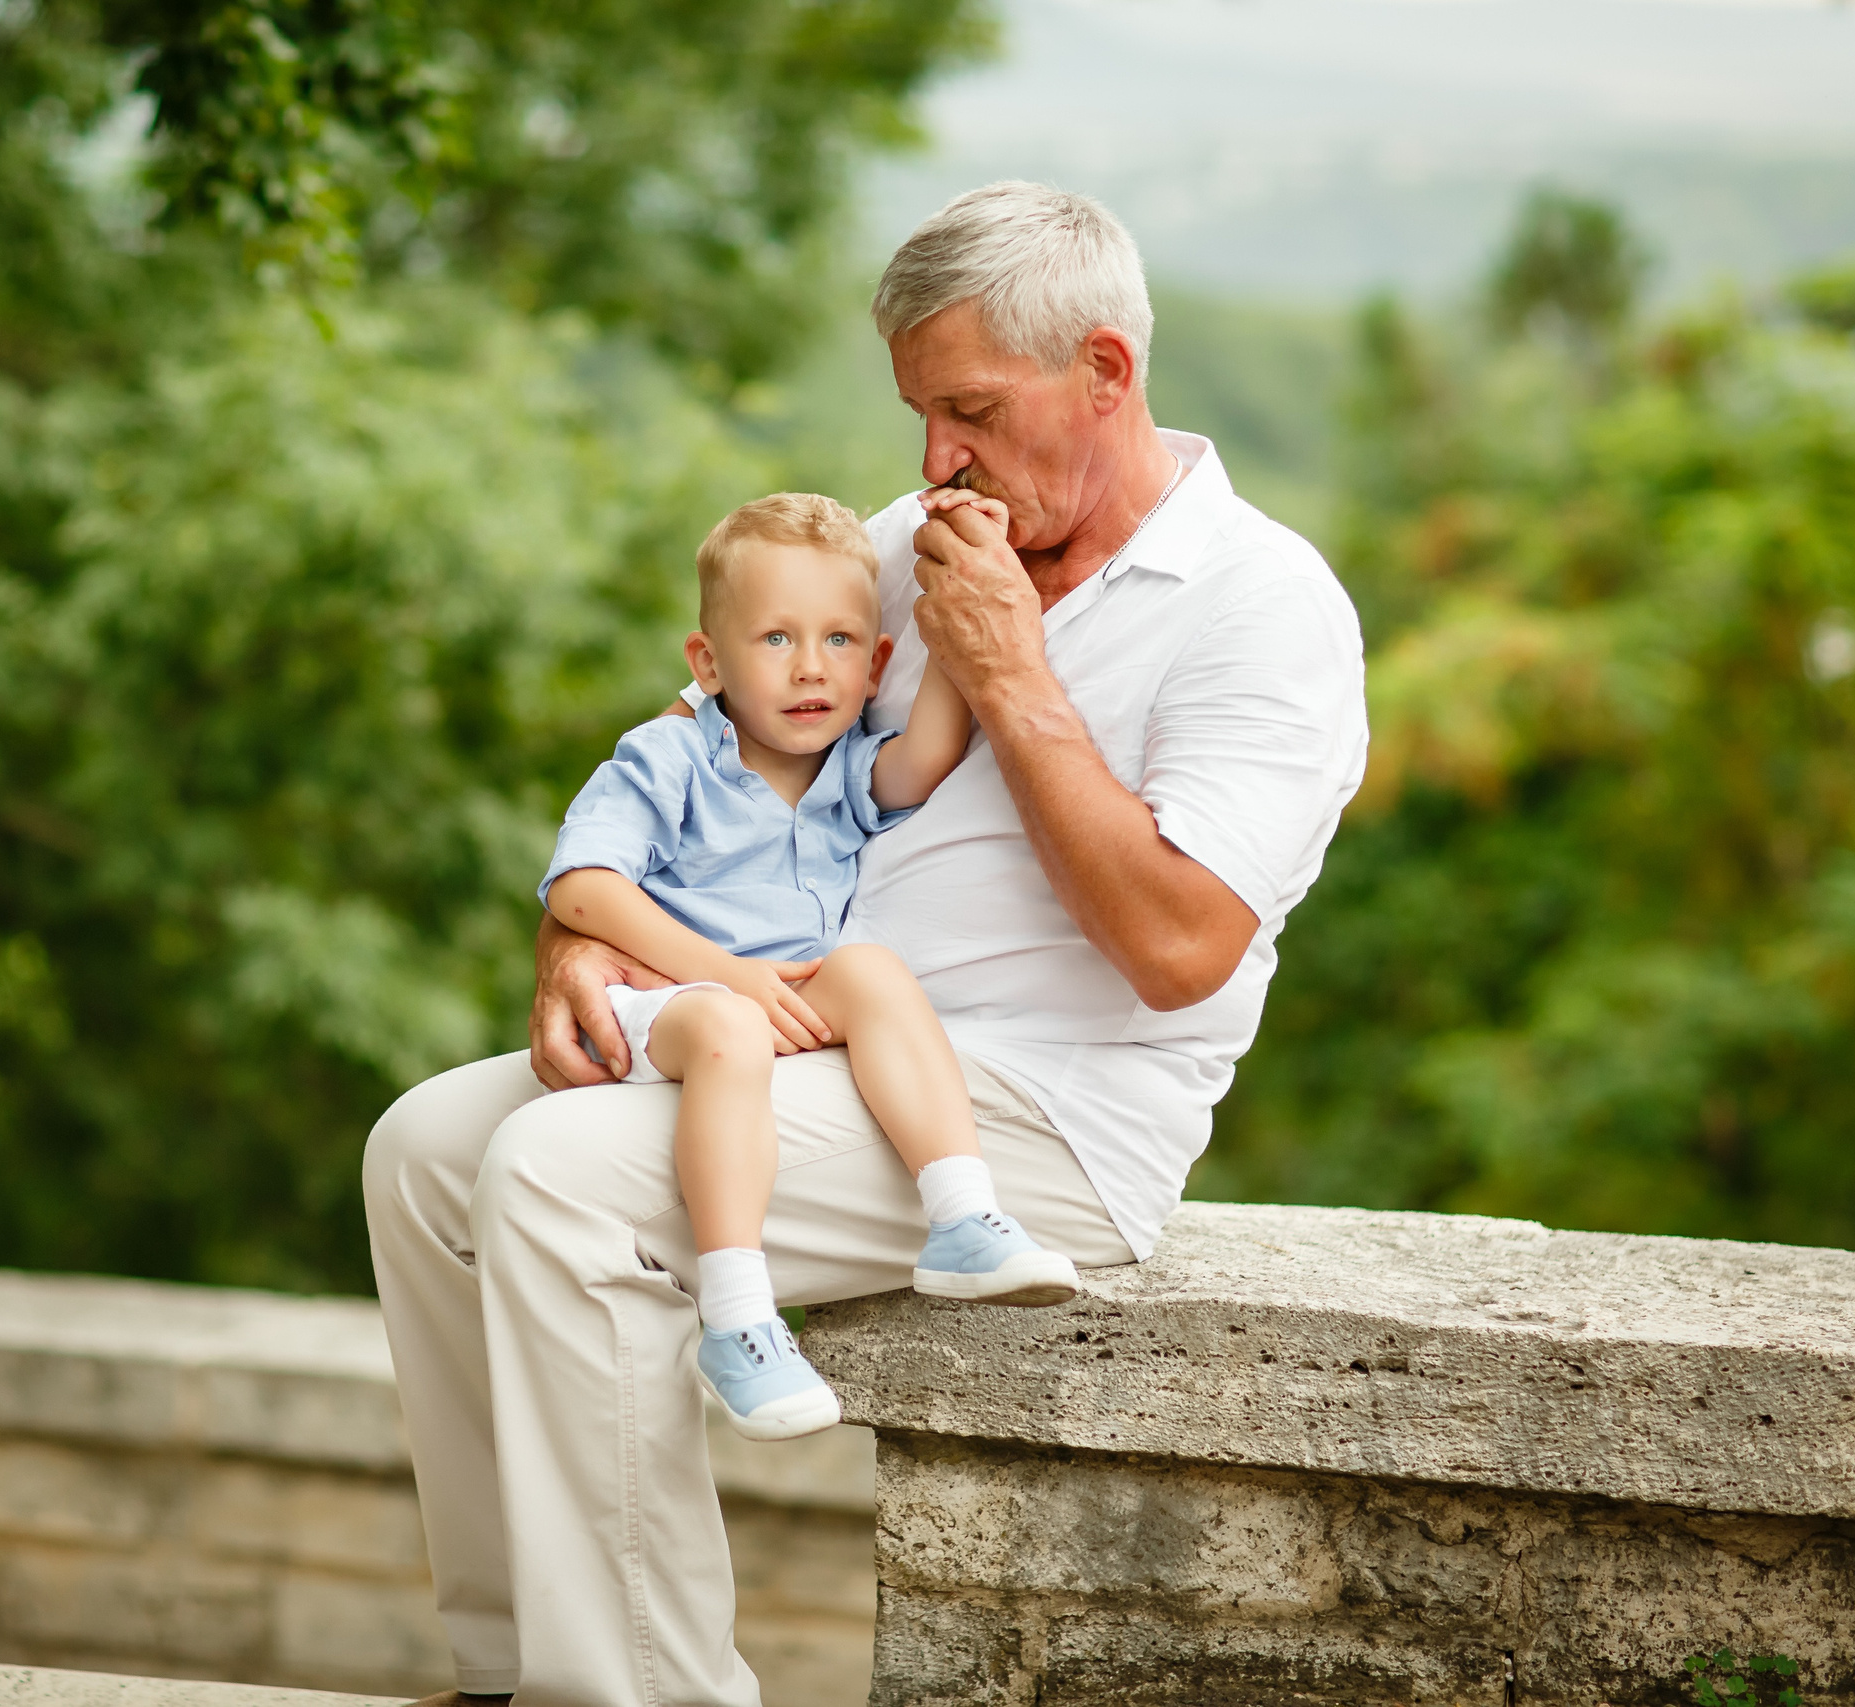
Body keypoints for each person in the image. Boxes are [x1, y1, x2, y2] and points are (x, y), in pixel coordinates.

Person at [366, 179, 1368, 1707]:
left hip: (1039, 1110)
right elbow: (710, 760)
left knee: (561, 1182)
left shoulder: (1263, 604)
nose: (931, 459)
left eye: (969, 407)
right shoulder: (908, 542)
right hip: (804, 1024)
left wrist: (1014, 676)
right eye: (916, 412)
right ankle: (511, 1667)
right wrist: (581, 941)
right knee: (425, 1145)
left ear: (1105, 372)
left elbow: (1181, 946)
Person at [539, 490, 1082, 1444]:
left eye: (839, 642)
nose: (809, 669)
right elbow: (582, 888)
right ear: (708, 663)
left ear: (876, 664)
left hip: (780, 1006)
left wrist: (964, 609)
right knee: (728, 1026)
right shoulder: (669, 757)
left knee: (869, 968)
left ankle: (962, 1213)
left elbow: (930, 754)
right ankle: (741, 1314)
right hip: (662, 1005)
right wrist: (722, 974)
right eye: (776, 639)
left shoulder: (845, 768)